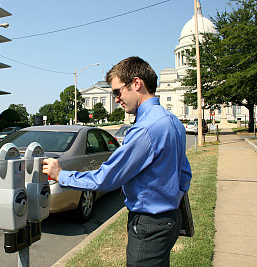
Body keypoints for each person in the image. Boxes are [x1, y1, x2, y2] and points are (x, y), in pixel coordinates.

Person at [42, 56, 192, 266]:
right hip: (170, 219)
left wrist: (60, 175)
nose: (116, 99)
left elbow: (106, 178)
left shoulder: (144, 130)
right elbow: (185, 173)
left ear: (136, 84)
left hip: (150, 224)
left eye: (117, 91)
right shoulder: (173, 121)